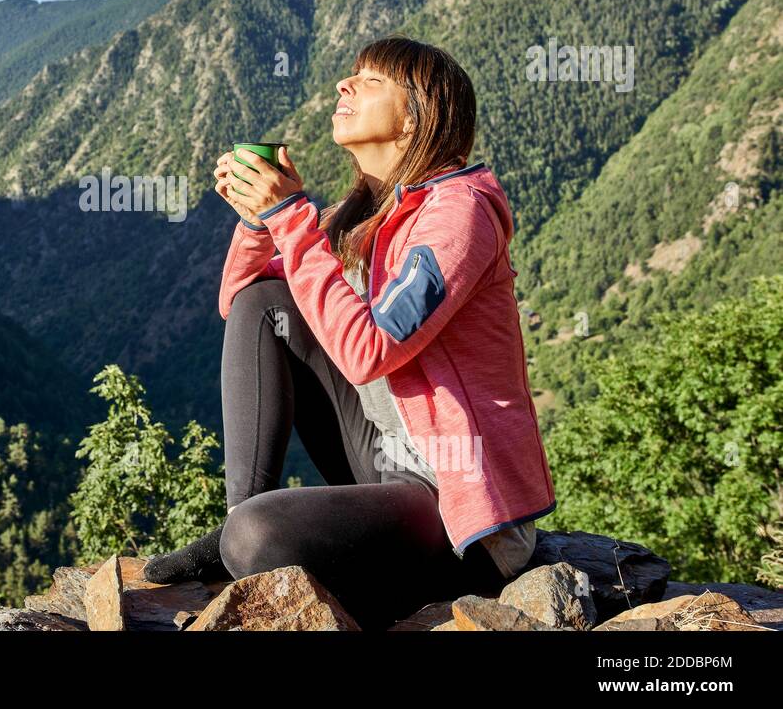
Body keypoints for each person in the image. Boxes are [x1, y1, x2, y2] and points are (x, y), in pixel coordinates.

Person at [141, 35, 557, 631]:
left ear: (416, 117)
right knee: (268, 304)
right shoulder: (368, 213)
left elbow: (370, 351)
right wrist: (262, 222)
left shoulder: (458, 213)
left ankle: (246, 534)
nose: (344, 85)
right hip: (384, 464)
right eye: (352, 75)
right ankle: (238, 516)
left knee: (260, 537)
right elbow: (240, 302)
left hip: (458, 506)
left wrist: (290, 218)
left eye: (371, 80)